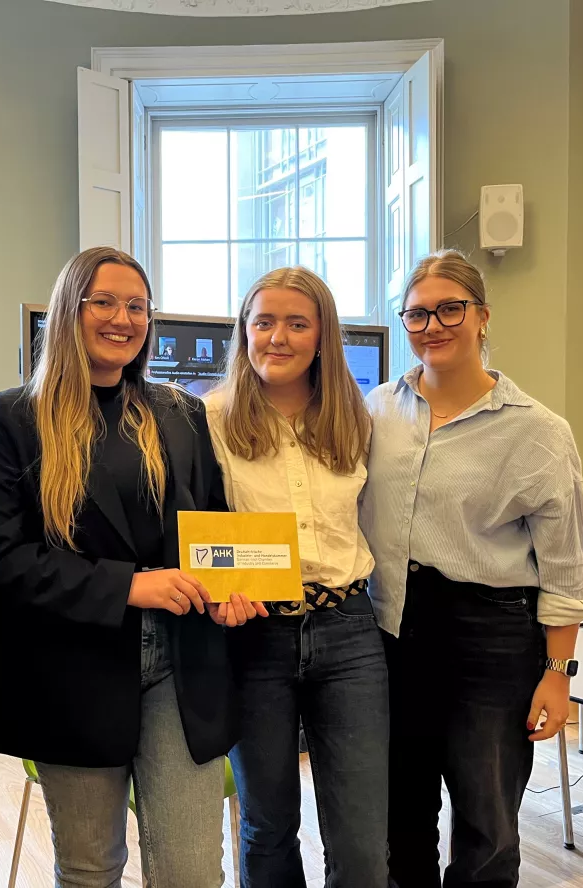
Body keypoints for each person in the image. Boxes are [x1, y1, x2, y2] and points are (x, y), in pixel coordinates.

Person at [0, 247, 265, 888]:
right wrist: (128, 586)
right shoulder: (16, 417)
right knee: (89, 870)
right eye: (104, 301)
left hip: (180, 668)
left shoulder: (181, 414)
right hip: (72, 671)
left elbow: (209, 530)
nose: (122, 318)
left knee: (191, 874)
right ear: (71, 309)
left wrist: (227, 590)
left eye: (136, 305)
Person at [361, 250, 583, 888]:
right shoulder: (375, 410)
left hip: (489, 638)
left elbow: (567, 567)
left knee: (487, 824)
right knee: (399, 815)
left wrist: (557, 674)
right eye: (415, 313)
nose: (431, 325)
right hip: (390, 632)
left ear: (482, 317)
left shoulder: (539, 432)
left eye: (449, 309)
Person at [205, 267, 389, 887]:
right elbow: (195, 536)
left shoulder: (358, 422)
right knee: (267, 826)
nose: (277, 337)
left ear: (322, 337)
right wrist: (218, 590)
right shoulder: (207, 421)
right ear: (244, 331)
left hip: (349, 633)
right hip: (254, 637)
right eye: (263, 322)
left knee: (362, 835)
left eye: (296, 323)